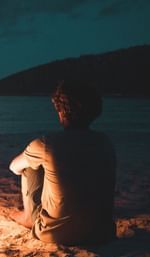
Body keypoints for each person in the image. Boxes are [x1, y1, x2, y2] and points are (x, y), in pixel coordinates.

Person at [9, 80, 116, 245]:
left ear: (60, 111)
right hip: (102, 233)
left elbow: (14, 167)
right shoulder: (105, 142)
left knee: (30, 166)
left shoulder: (46, 143)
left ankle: (28, 217)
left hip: (56, 234)